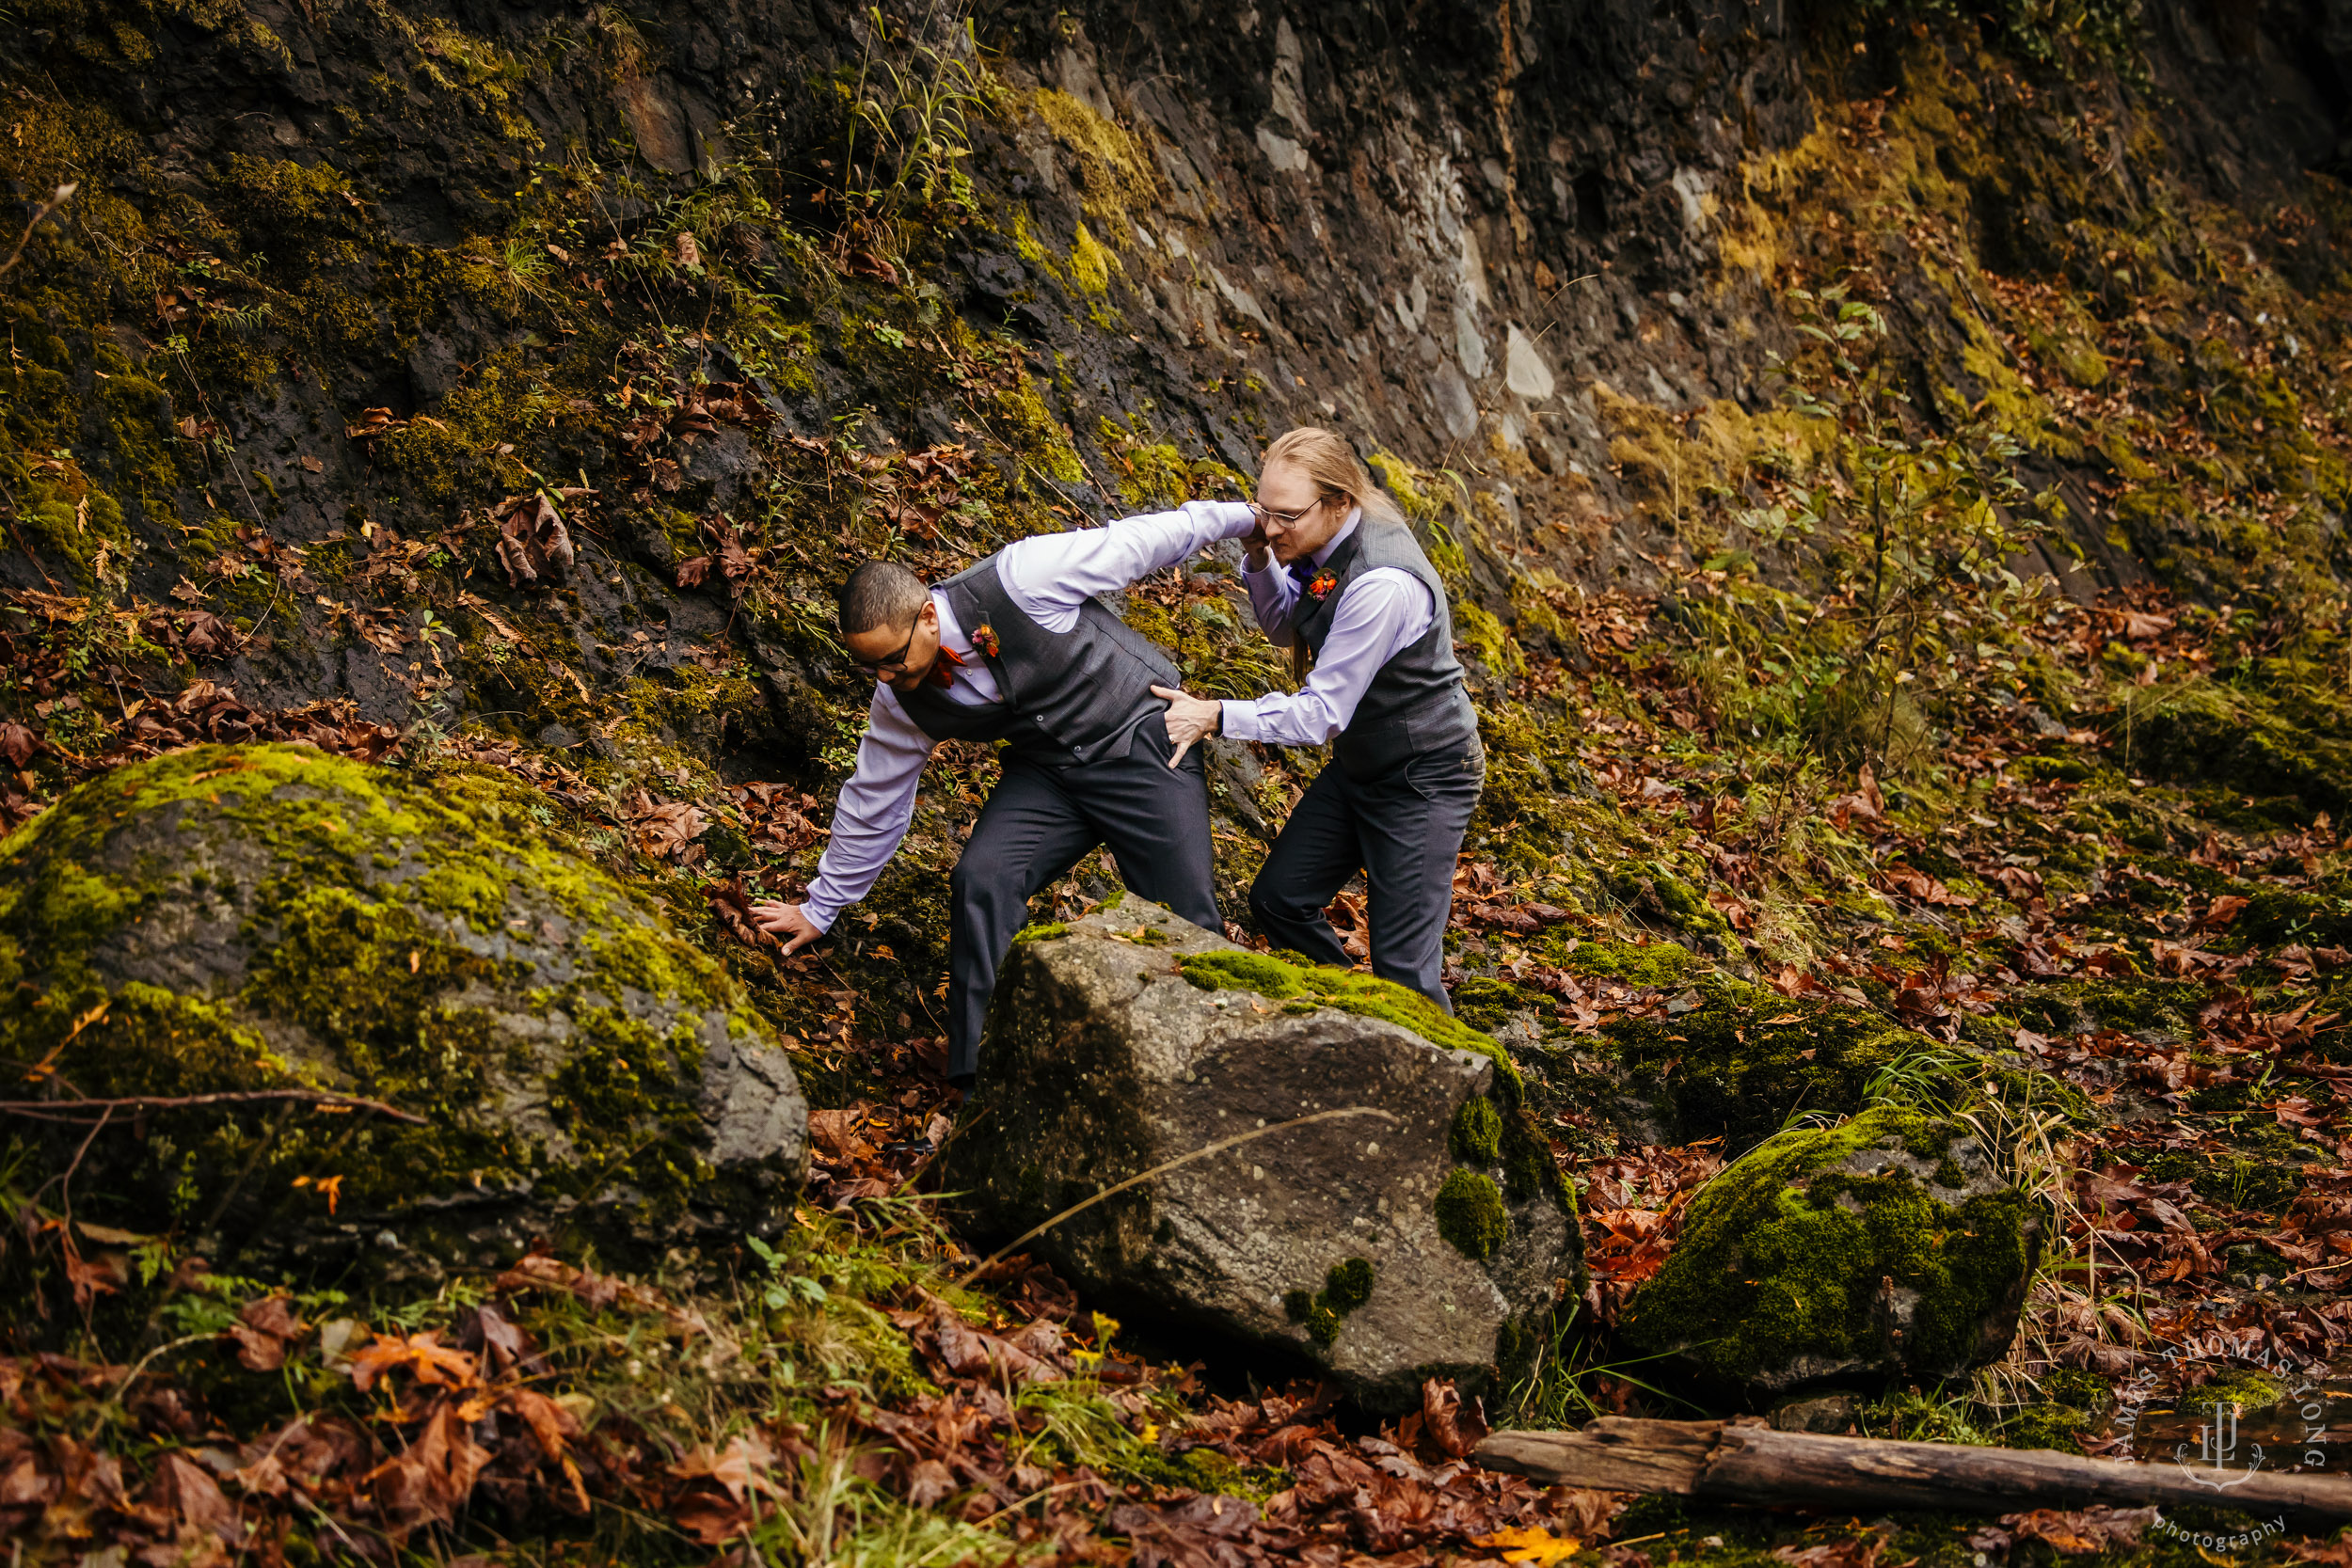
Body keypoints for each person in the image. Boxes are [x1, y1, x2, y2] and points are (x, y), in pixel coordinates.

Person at [752, 499, 1257, 1088]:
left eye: (891, 660)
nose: (886, 679)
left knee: (1186, 917)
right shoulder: (899, 700)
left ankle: (1227, 1074)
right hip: (1046, 774)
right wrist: (821, 906)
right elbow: (873, 799)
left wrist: (1249, 520)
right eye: (870, 670)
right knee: (982, 879)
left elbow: (1147, 540)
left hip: (1141, 740)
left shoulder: (1024, 578)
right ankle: (983, 1081)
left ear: (928, 619)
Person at [1154, 428, 1484, 1012]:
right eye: (1264, 511)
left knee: (1405, 969)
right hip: (1362, 765)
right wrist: (1260, 555)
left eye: (1286, 517)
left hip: (1424, 776)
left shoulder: (1381, 584)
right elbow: (1288, 626)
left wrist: (1216, 714)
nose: (1271, 526)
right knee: (1279, 900)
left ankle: (1442, 1080)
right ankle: (1359, 1013)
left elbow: (1321, 714)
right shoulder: (1318, 543)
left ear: (1338, 502)